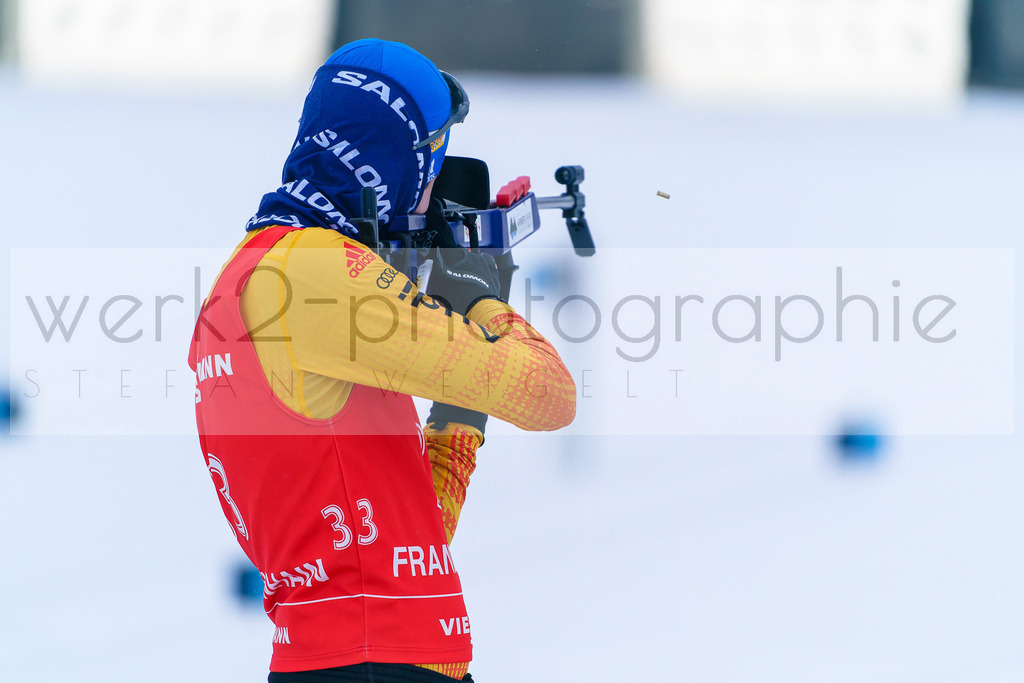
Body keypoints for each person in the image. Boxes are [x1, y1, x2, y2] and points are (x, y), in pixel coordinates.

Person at [188, 38, 576, 682]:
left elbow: (416, 542)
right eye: (432, 167)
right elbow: (549, 396)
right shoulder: (315, 270)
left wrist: (461, 357)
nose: (425, 205)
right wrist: (479, 304)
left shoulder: (246, 277)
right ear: (403, 164)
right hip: (379, 667)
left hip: (346, 658)